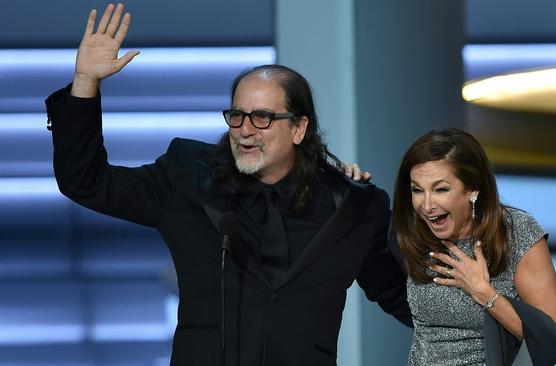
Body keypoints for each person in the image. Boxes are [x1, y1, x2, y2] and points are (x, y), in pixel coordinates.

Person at [45, 3, 411, 365]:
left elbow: (401, 296)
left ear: (299, 128)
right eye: (237, 115)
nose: (245, 130)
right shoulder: (186, 176)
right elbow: (86, 181)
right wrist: (85, 83)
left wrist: (468, 316)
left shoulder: (352, 206)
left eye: (263, 117)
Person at [392, 129, 556, 366]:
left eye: (441, 189)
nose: (427, 204)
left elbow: (550, 338)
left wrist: (484, 293)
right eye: (417, 190)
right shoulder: (414, 232)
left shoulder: (515, 232)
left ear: (473, 190)